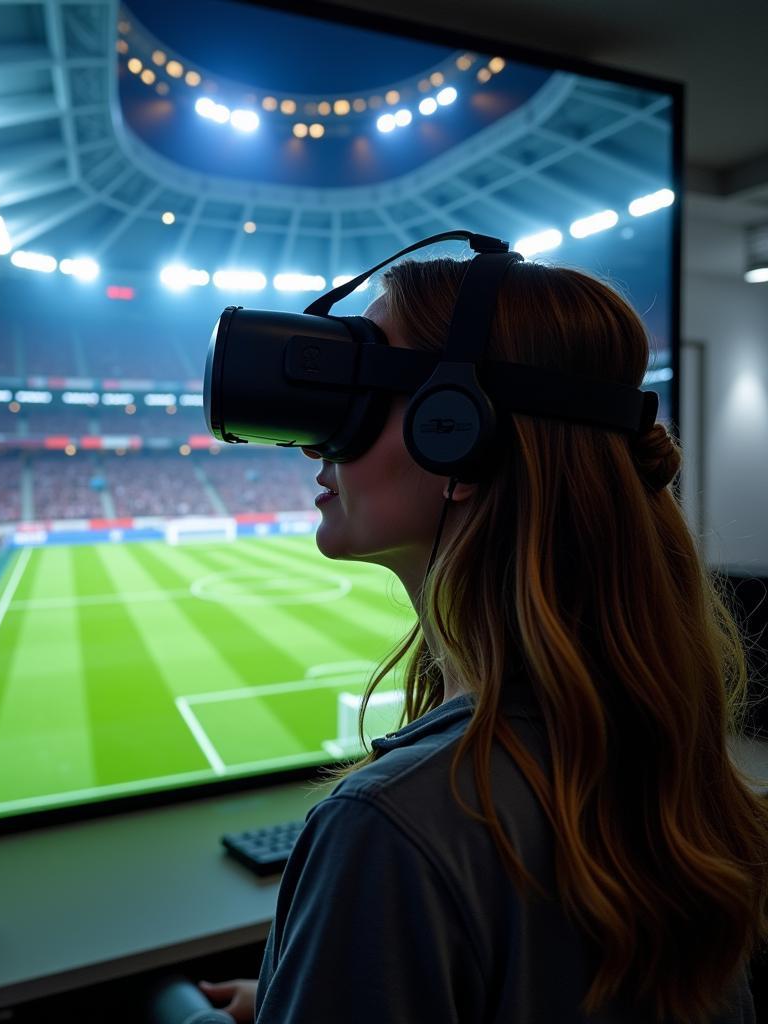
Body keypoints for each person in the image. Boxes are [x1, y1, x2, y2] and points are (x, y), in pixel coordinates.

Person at [198, 257, 768, 1023]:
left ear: (457, 436)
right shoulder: (664, 758)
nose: (313, 447)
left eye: (361, 386)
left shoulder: (393, 826)